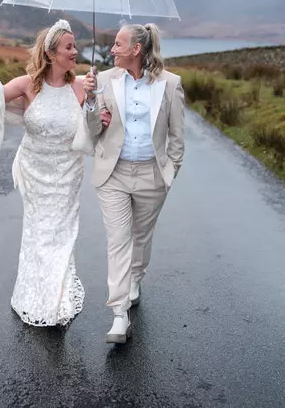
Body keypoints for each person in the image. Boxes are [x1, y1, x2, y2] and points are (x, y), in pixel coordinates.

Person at [0, 19, 110, 327]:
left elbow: (93, 129)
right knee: (39, 231)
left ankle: (57, 296)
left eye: (75, 46)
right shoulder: (27, 84)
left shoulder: (80, 86)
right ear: (50, 53)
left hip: (68, 171)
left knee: (61, 233)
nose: (76, 51)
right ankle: (37, 293)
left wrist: (92, 101)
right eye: (69, 47)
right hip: (34, 170)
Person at [83, 22, 185, 344]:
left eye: (118, 44)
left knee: (141, 237)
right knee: (118, 239)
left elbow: (177, 138)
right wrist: (88, 101)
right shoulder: (103, 81)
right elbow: (92, 130)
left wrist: (169, 174)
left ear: (135, 50)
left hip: (152, 174)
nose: (112, 50)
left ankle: (136, 278)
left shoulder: (170, 84)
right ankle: (119, 313)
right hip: (113, 174)